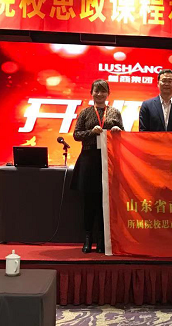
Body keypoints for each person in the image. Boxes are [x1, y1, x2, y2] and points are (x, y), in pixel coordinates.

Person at [71, 79, 124, 253]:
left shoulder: (115, 112)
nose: (100, 94)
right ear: (91, 93)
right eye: (96, 91)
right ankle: (88, 239)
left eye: (103, 91)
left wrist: (117, 131)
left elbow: (123, 134)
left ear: (108, 94)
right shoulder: (85, 112)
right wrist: (91, 132)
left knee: (105, 202)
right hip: (89, 160)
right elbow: (76, 135)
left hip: (108, 160)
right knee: (89, 202)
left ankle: (103, 240)